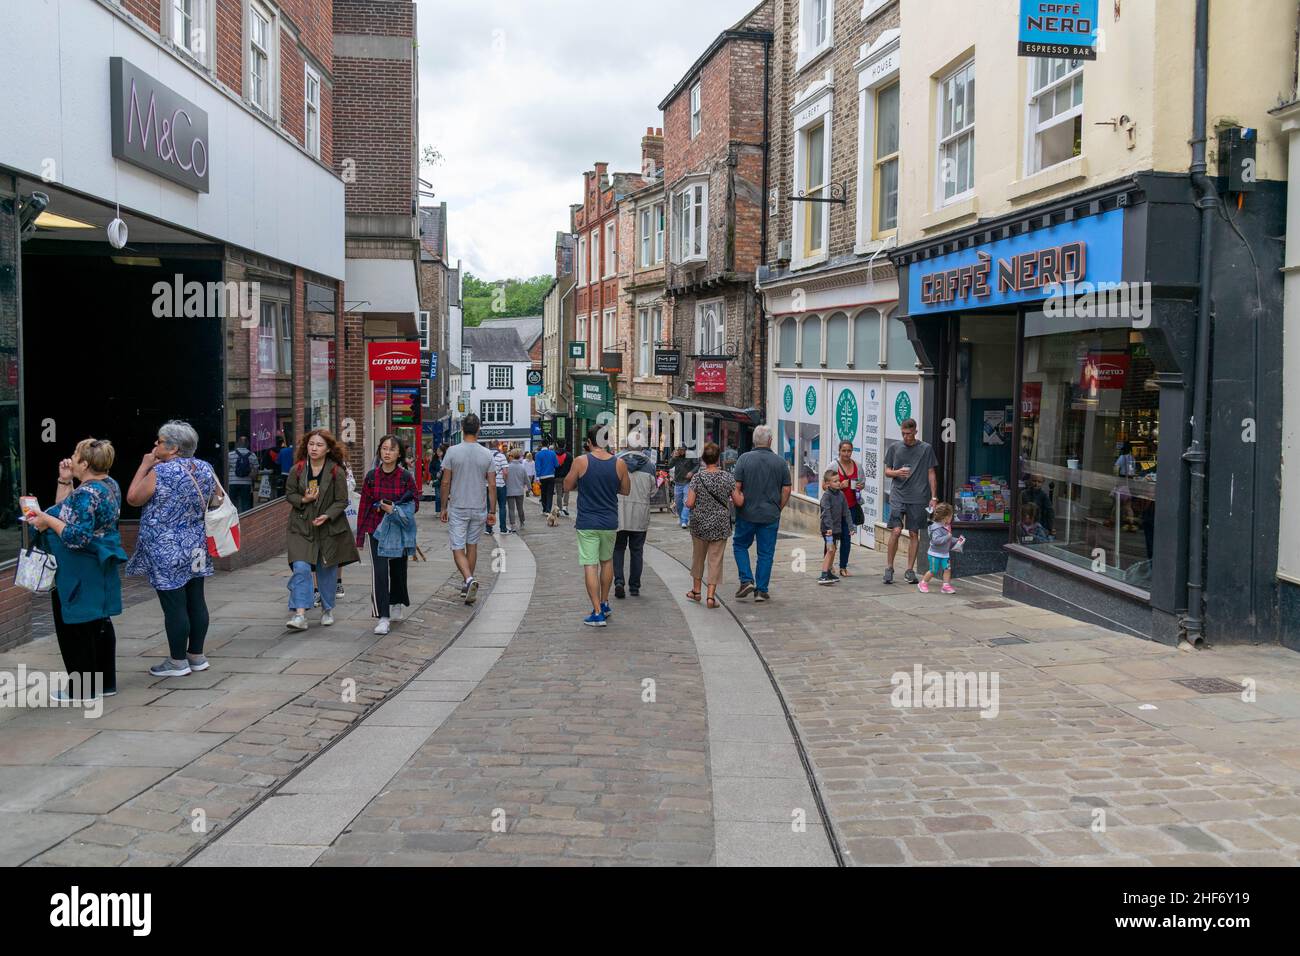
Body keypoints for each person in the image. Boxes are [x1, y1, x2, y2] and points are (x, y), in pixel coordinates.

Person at [26, 438, 127, 701]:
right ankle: (106, 683)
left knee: (75, 625)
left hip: (78, 567)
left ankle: (81, 689)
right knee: (99, 622)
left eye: (75, 454)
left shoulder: (85, 494)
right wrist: (65, 481)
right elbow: (67, 512)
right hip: (99, 565)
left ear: (85, 462)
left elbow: (74, 535)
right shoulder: (109, 485)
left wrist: (45, 518)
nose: (70, 457)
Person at [126, 420, 221, 678]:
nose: (155, 444)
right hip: (196, 543)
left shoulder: (163, 472)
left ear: (174, 448)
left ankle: (177, 661)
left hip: (166, 547)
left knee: (174, 605)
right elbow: (217, 499)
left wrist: (145, 465)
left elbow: (133, 498)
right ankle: (197, 655)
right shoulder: (205, 467)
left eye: (159, 441)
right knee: (196, 599)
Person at [284, 429, 359, 630]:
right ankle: (300, 614)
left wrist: (327, 515)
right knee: (301, 568)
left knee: (326, 570)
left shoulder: (336, 471)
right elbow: (289, 494)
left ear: (327, 449)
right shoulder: (297, 470)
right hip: (300, 527)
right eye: (311, 444)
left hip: (328, 528)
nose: (314, 448)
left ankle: (327, 608)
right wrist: (304, 499)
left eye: (319, 445)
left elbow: (342, 500)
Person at [564, 426, 630, 626]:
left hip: (587, 522)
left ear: (589, 442)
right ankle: (605, 602)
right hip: (609, 521)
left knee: (590, 565)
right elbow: (626, 490)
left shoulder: (581, 461)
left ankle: (597, 611)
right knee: (607, 562)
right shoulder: (619, 463)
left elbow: (567, 485)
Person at [355, 435, 417, 634]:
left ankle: (397, 600)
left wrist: (395, 510)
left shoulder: (406, 477)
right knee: (379, 573)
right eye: (384, 448)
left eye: (391, 449)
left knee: (398, 569)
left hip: (397, 529)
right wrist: (359, 536)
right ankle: (382, 616)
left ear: (399, 453)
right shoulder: (372, 477)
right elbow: (364, 505)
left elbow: (415, 503)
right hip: (376, 529)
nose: (387, 452)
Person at [439, 414, 497, 604]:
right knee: (472, 545)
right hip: (478, 506)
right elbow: (492, 484)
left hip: (458, 506)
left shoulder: (452, 452)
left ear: (462, 428)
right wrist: (492, 511)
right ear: (479, 429)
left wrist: (443, 506)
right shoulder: (487, 454)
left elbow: (445, 481)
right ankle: (467, 584)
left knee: (457, 547)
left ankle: (469, 579)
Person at [731, 425, 792, 603]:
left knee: (740, 545)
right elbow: (787, 489)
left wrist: (738, 505)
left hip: (746, 513)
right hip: (770, 515)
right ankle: (761, 590)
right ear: (770, 441)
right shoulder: (780, 462)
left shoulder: (744, 459)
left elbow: (737, 487)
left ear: (754, 441)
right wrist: (778, 508)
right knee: (765, 553)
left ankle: (746, 580)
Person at [883, 418, 938, 585]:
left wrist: (934, 497)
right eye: (903, 433)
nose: (906, 437)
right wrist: (897, 472)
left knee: (914, 533)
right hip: (898, 495)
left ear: (915, 431)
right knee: (896, 531)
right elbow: (886, 471)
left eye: (908, 433)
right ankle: (889, 568)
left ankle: (909, 570)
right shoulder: (895, 448)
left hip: (919, 497)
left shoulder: (926, 448)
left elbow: (931, 473)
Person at [686, 442, 741, 610]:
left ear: (703, 459)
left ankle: (696, 591)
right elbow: (738, 501)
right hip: (720, 524)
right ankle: (710, 596)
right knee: (715, 560)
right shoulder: (727, 477)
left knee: (698, 558)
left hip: (699, 524)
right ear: (718, 459)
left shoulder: (697, 477)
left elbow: (689, 503)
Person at [614, 430, 655, 599]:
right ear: (642, 446)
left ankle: (618, 581)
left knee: (618, 549)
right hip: (640, 514)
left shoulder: (616, 462)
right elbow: (653, 492)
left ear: (627, 445)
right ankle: (634, 586)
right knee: (637, 551)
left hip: (620, 513)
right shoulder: (650, 466)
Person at [834, 440, 865, 577]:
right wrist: (840, 485)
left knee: (847, 538)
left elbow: (862, 482)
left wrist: (860, 486)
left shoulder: (857, 466)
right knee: (832, 538)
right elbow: (824, 485)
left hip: (851, 507)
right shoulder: (834, 466)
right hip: (835, 508)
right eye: (844, 451)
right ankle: (828, 566)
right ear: (839, 451)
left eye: (849, 451)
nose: (846, 453)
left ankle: (843, 567)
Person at [919, 502, 962, 594]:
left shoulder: (946, 526)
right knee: (933, 570)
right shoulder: (936, 528)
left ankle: (946, 585)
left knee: (947, 569)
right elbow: (936, 541)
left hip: (945, 554)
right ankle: (923, 583)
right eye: (951, 516)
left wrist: (957, 540)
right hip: (935, 554)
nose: (952, 518)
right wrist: (948, 537)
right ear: (945, 517)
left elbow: (948, 539)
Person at [817, 469, 846, 586]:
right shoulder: (826, 497)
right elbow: (826, 513)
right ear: (828, 484)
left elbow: (845, 512)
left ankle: (828, 572)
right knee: (830, 549)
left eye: (839, 480)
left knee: (833, 550)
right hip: (828, 530)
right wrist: (829, 528)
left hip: (835, 530)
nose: (839, 483)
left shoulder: (840, 495)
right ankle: (823, 575)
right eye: (835, 481)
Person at [667, 446, 697, 529]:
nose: (680, 451)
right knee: (678, 502)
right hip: (678, 482)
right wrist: (673, 458)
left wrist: (692, 472)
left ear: (685, 449)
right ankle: (681, 518)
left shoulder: (691, 455)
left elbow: (697, 465)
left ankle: (684, 520)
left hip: (688, 482)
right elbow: (669, 466)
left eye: (682, 450)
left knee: (686, 501)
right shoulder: (676, 456)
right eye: (679, 450)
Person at [227, 436, 256, 513]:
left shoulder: (230, 455)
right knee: (246, 503)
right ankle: (245, 521)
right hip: (246, 483)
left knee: (232, 503)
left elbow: (226, 469)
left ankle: (233, 521)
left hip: (232, 482)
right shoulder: (252, 455)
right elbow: (255, 472)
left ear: (237, 443)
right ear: (247, 444)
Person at [504, 447, 530, 533]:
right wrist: (529, 488)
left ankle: (513, 525)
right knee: (520, 508)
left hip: (509, 490)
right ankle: (522, 522)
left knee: (511, 509)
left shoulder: (507, 467)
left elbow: (504, 478)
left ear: (511, 456)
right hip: (519, 490)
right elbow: (526, 479)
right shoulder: (522, 467)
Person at [490, 441, 509, 535]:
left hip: (488, 485)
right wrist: (505, 481)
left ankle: (488, 528)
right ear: (498, 446)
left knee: (489, 507)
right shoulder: (502, 456)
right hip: (500, 485)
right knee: (502, 506)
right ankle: (503, 528)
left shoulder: (486, 456)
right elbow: (505, 472)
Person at [535, 439, 558, 514]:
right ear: (548, 444)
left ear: (541, 444)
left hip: (542, 476)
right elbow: (556, 465)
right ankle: (548, 509)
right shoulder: (552, 453)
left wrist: (537, 477)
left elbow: (537, 466)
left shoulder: (538, 454)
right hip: (551, 475)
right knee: (550, 493)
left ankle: (544, 509)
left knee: (543, 493)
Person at [554, 445, 573, 515]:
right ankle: (565, 506)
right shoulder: (569, 455)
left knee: (559, 493)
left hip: (557, 477)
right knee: (566, 491)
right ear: (564, 445)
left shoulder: (554, 455)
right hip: (567, 476)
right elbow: (572, 466)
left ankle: (559, 509)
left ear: (557, 445)